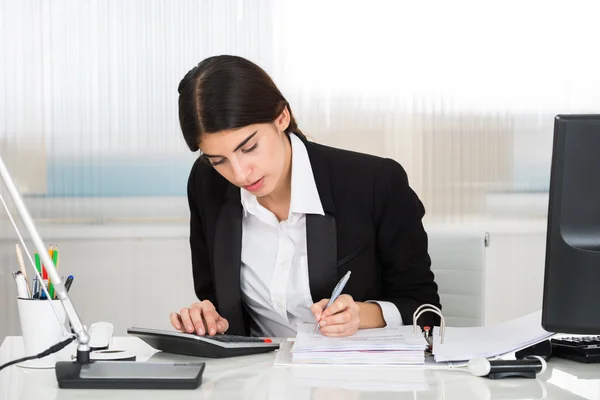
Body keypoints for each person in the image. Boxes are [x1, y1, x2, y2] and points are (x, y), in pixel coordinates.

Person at [170, 55, 441, 338]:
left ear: (281, 117)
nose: (240, 174)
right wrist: (208, 318)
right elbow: (213, 297)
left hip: (350, 376)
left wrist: (362, 315)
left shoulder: (374, 183)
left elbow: (426, 311)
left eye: (249, 148)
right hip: (253, 374)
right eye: (218, 160)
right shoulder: (207, 184)